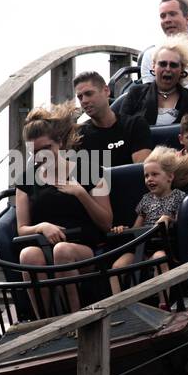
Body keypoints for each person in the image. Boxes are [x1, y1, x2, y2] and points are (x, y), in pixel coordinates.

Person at [16, 103, 114, 315]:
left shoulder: (91, 171)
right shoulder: (26, 179)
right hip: (46, 247)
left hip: (84, 248)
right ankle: (43, 323)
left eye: (46, 149)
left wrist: (80, 193)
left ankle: (74, 319)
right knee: (27, 255)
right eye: (35, 153)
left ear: (59, 143)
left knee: (63, 250)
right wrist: (41, 227)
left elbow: (106, 222)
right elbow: (21, 228)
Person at [108, 146, 186, 298]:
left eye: (155, 174)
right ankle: (119, 307)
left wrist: (168, 219)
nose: (149, 179)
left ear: (170, 177)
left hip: (165, 246)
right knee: (117, 267)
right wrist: (123, 229)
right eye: (146, 176)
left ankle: (164, 302)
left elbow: (181, 222)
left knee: (158, 258)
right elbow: (137, 229)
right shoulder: (146, 199)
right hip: (143, 248)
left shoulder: (178, 196)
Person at [74, 72, 152, 170]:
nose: (84, 101)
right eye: (80, 97)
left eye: (89, 94)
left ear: (106, 91)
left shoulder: (135, 125)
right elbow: (86, 180)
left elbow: (141, 172)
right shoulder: (79, 136)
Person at [115, 40, 188, 126]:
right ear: (153, 67)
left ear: (182, 69)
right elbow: (122, 128)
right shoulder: (136, 93)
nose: (168, 69)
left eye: (173, 65)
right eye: (163, 64)